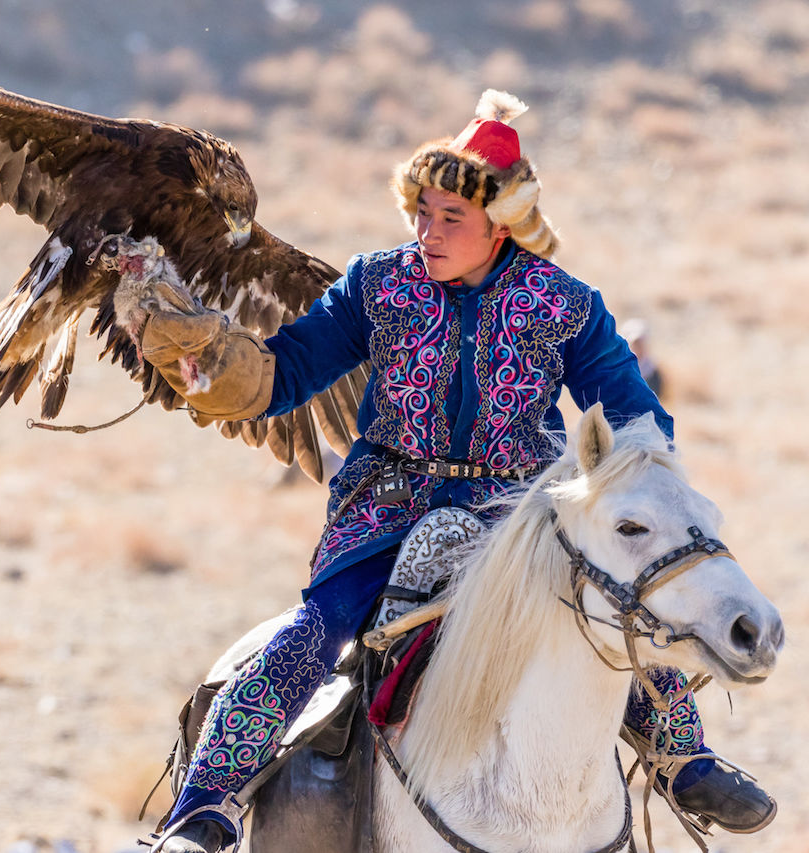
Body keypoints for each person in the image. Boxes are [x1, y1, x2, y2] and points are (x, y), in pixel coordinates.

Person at [140, 90, 774, 852]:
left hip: (519, 512)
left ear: (500, 224)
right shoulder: (376, 283)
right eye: (421, 211)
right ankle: (202, 808)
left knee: (611, 605)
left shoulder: (565, 305)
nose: (427, 232)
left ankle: (684, 757)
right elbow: (288, 372)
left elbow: (638, 415)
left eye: (451, 219)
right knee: (317, 630)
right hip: (387, 504)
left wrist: (623, 463)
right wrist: (213, 367)